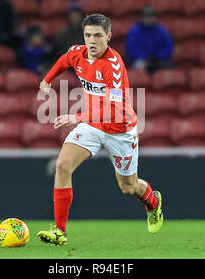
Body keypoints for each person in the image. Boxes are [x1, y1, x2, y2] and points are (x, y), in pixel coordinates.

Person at [37, 14, 164, 246]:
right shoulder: (78, 53)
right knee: (62, 165)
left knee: (128, 187)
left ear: (108, 36)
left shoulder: (113, 66)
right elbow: (64, 60)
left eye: (97, 35)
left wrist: (75, 117)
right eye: (88, 35)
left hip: (120, 130)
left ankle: (153, 203)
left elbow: (112, 111)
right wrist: (47, 80)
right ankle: (59, 231)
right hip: (91, 125)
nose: (92, 40)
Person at [125, 5, 175, 72]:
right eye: (147, 16)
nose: (149, 19)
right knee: (138, 67)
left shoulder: (161, 30)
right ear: (142, 17)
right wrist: (144, 58)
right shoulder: (135, 31)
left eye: (151, 16)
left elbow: (168, 47)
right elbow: (131, 49)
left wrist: (156, 57)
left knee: (167, 68)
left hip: (157, 60)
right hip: (140, 60)